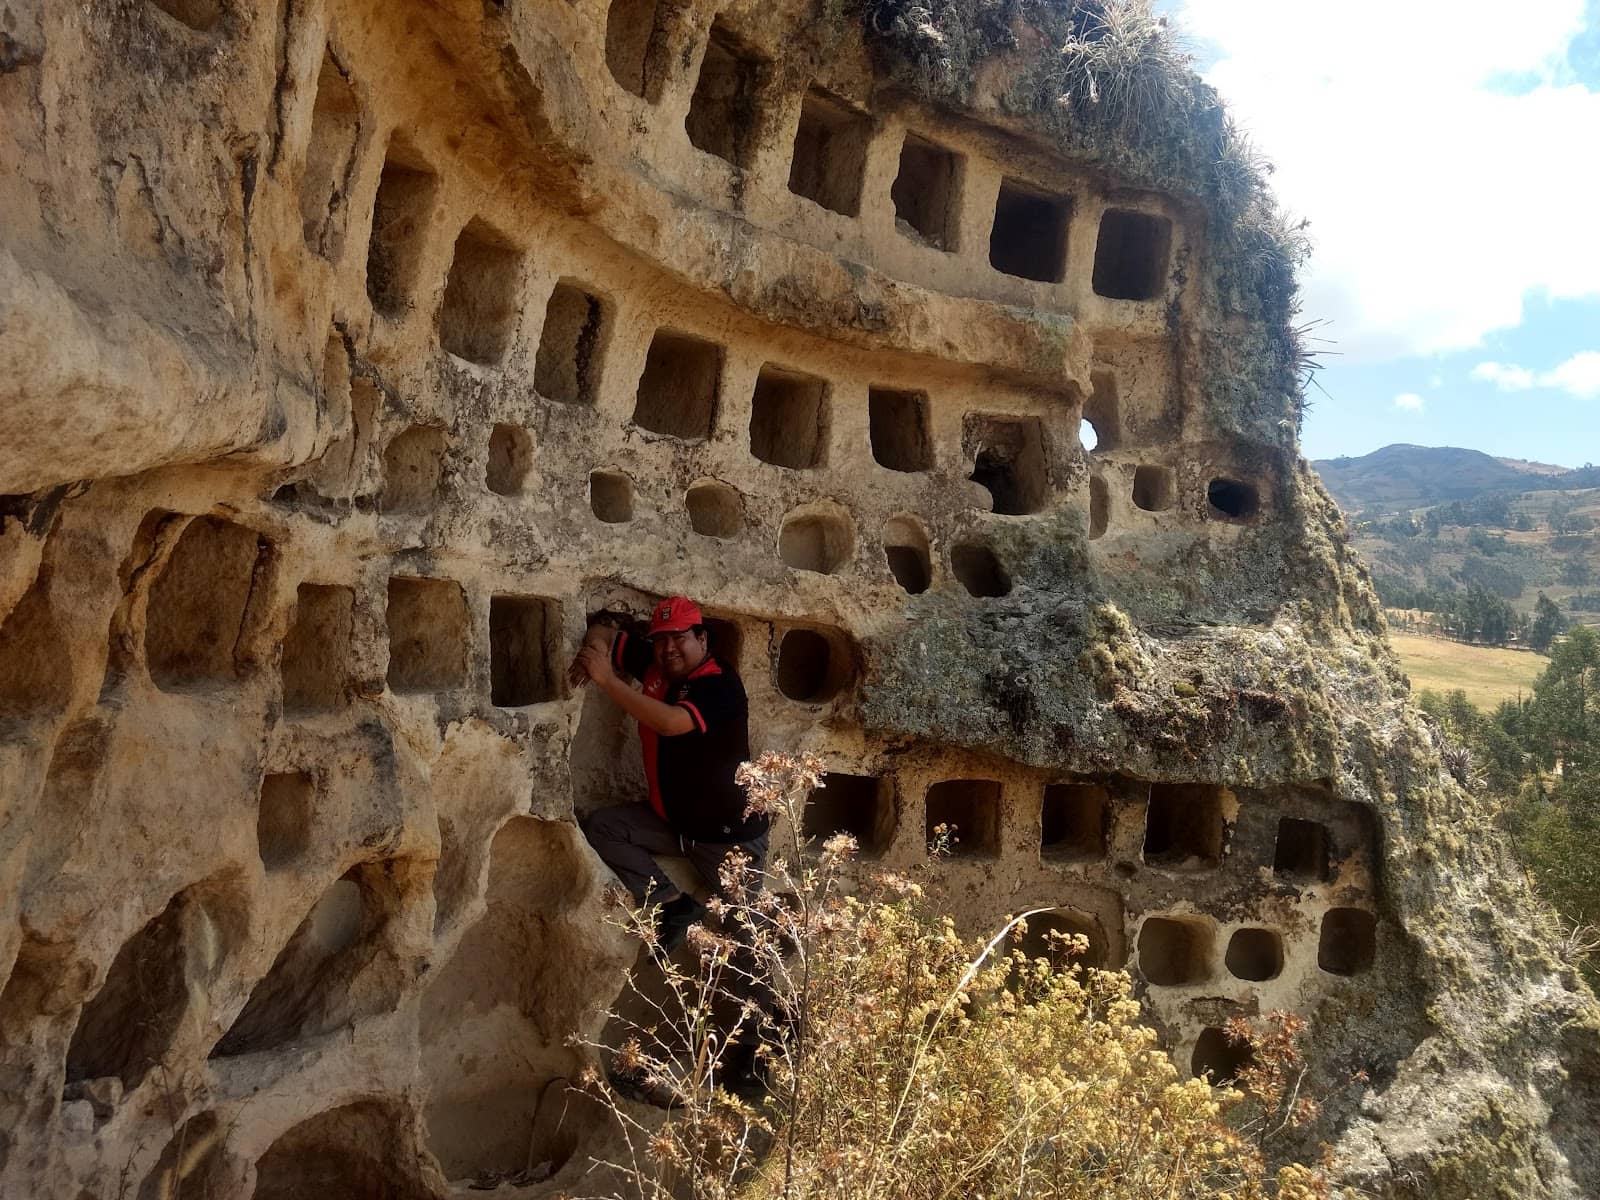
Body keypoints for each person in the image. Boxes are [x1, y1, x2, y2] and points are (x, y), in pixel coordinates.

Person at [570, 596, 769, 955]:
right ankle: (673, 903)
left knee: (749, 944)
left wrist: (606, 678)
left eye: (680, 637)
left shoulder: (721, 684)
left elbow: (670, 722)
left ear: (703, 639)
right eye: (661, 639)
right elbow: (603, 631)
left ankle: (769, 1013)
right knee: (604, 827)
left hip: (726, 842)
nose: (669, 648)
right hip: (673, 825)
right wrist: (595, 651)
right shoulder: (655, 663)